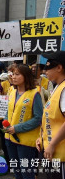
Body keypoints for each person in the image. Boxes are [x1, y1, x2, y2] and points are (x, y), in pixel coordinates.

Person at [4, 64, 43, 179]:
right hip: (10, 138)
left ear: (26, 76)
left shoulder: (34, 94)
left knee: (26, 173)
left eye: (17, 74)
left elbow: (38, 118)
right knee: (16, 171)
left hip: (25, 142)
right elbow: (8, 111)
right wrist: (5, 122)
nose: (13, 77)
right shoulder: (12, 92)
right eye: (13, 74)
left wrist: (17, 128)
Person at [36, 51, 65, 179]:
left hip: (61, 153)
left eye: (48, 66)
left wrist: (52, 144)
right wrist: (41, 138)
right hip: (52, 151)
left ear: (59, 67)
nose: (45, 70)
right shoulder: (57, 87)